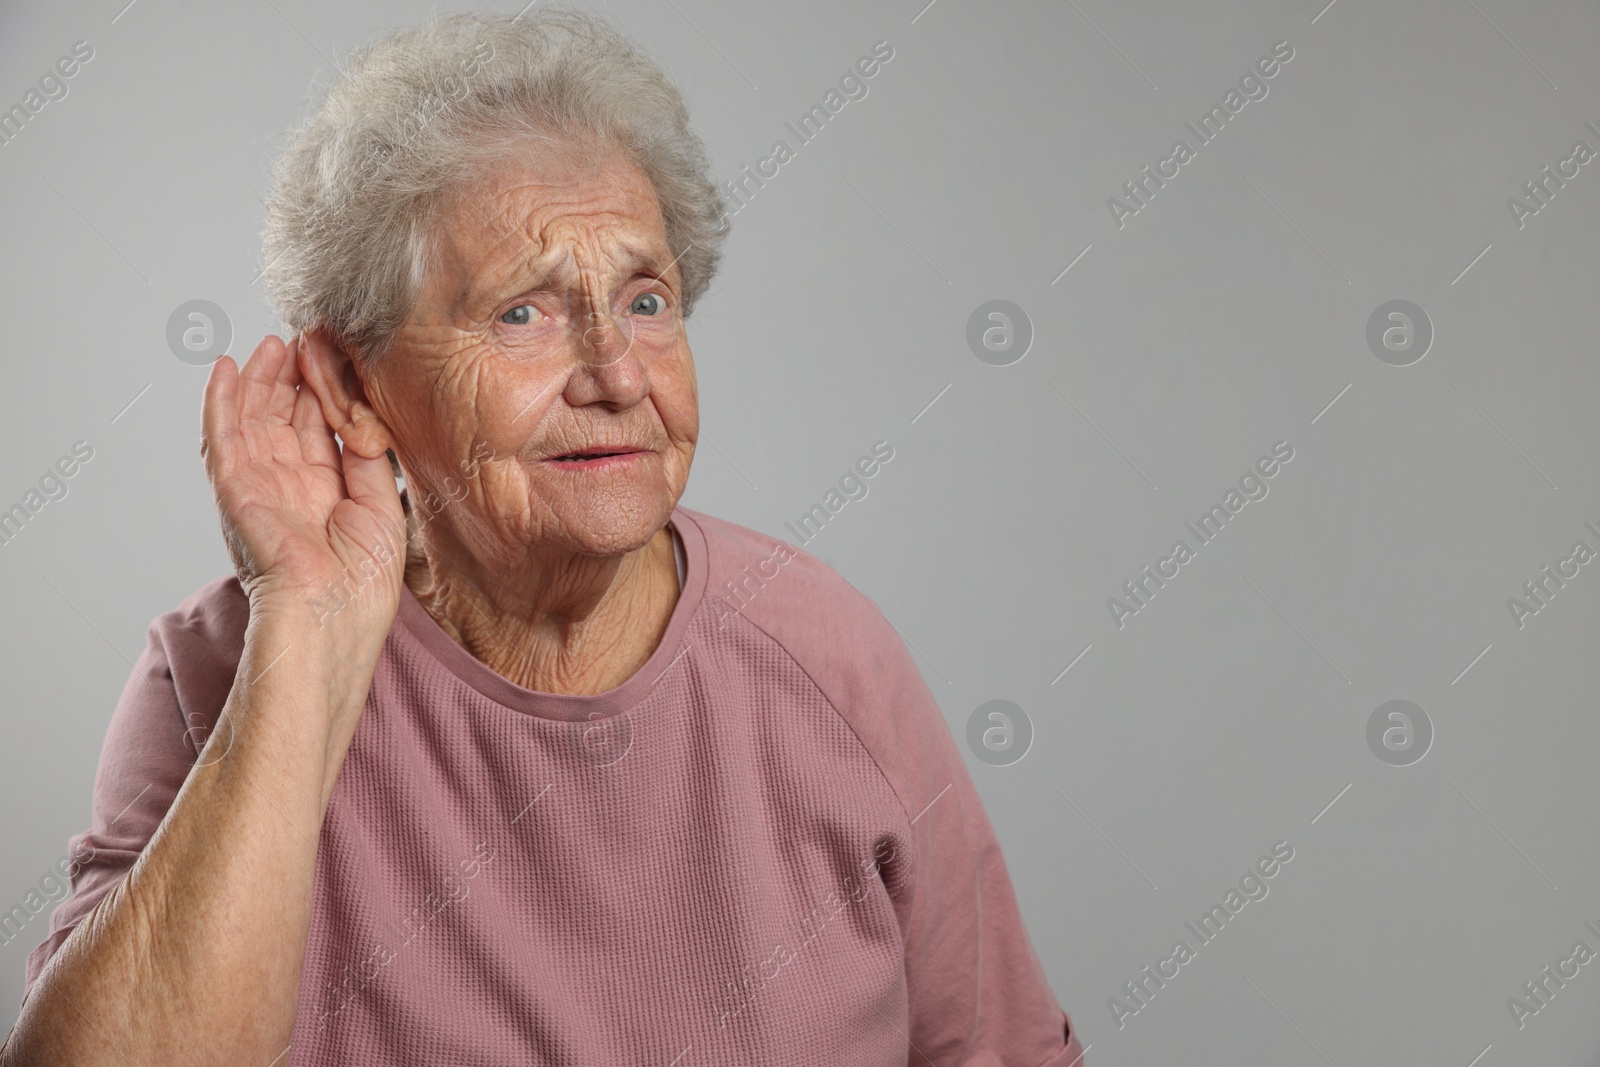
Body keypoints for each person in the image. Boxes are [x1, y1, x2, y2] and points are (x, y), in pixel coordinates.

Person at [1, 8, 1084, 1064]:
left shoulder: (829, 656)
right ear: (349, 382)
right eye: (524, 311)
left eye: (647, 300)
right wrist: (309, 638)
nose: (618, 375)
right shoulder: (213, 672)